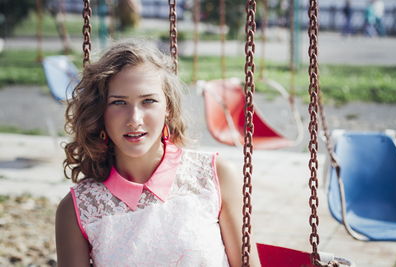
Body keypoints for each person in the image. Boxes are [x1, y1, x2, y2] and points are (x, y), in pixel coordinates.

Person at [55, 41, 259, 266]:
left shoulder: (215, 176)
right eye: (118, 102)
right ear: (100, 112)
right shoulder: (76, 211)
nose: (134, 119)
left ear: (168, 107)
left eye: (148, 101)